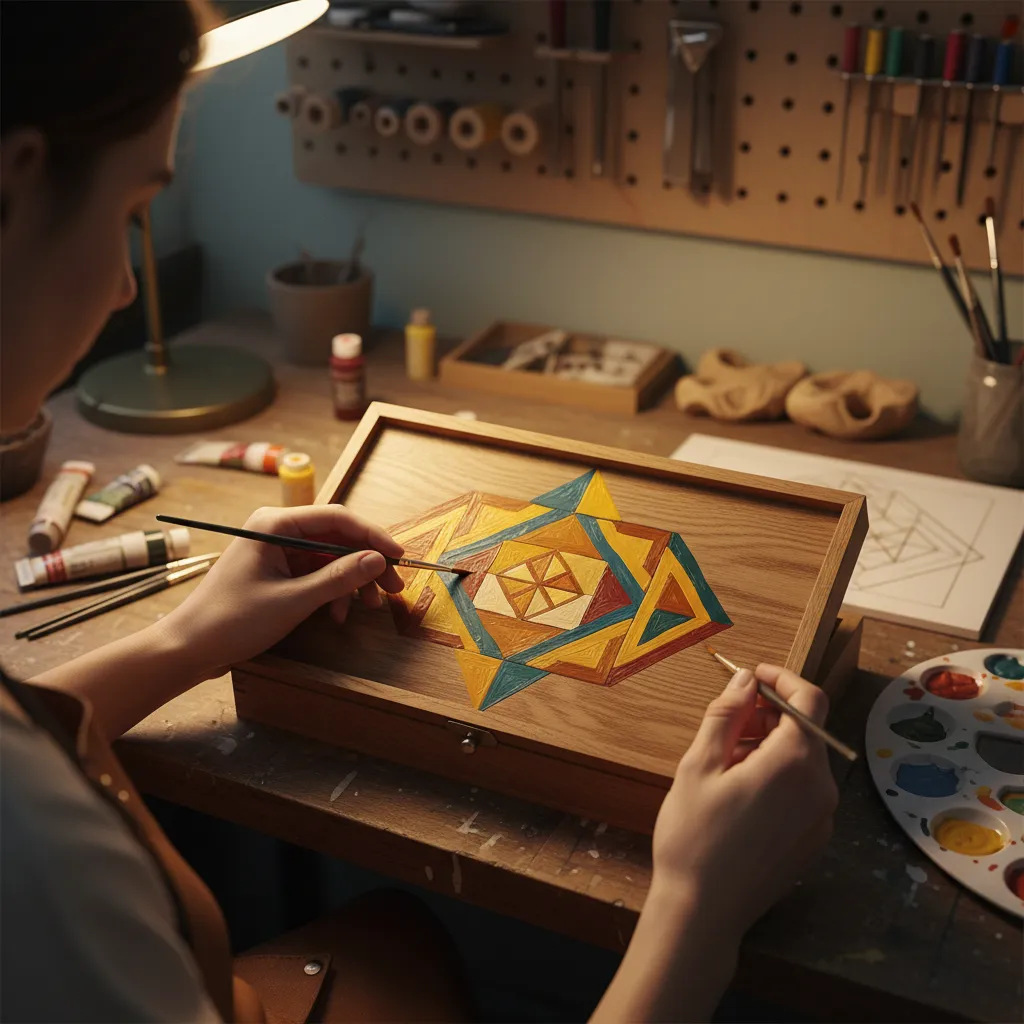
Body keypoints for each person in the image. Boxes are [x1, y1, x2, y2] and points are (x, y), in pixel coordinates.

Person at [0, 3, 839, 1020]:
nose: (129, 281)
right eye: (132, 210)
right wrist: (695, 915)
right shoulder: (44, 861)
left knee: (395, 932)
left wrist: (183, 640)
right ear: (18, 178)